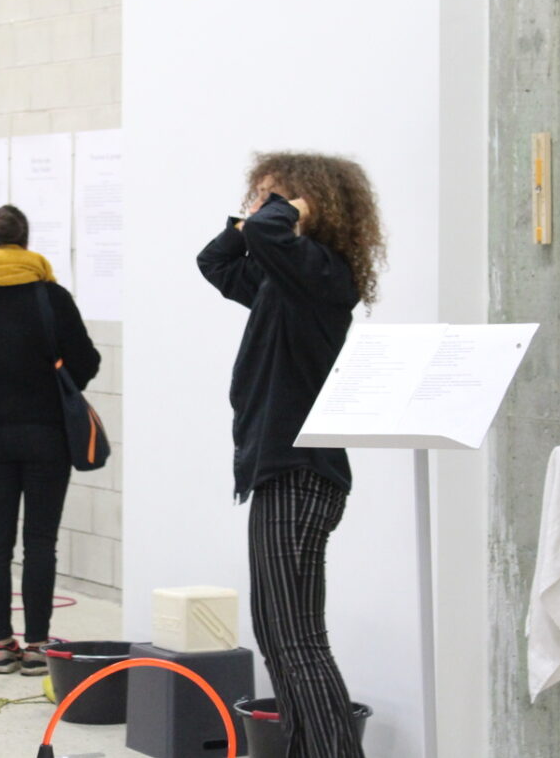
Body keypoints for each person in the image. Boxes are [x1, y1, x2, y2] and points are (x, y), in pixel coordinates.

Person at [196, 152, 386, 758]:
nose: (256, 209)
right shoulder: (286, 285)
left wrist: (284, 210)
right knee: (281, 637)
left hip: (301, 475)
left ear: (310, 205)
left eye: (270, 196)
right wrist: (250, 216)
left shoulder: (322, 276)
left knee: (297, 640)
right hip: (282, 472)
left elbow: (269, 233)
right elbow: (216, 261)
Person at [0, 205, 100, 676]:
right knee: (40, 542)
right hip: (45, 435)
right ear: (27, 241)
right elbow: (88, 361)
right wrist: (53, 379)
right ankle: (36, 646)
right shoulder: (51, 297)